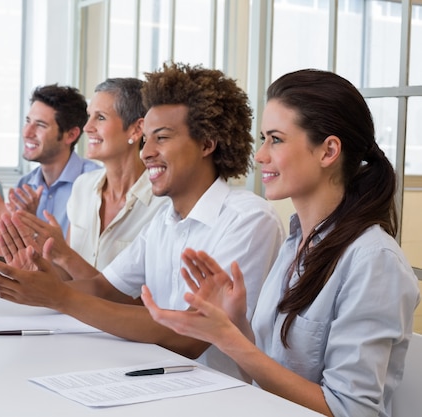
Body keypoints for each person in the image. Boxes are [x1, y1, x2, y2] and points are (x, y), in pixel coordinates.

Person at [0, 63, 285, 380]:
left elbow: (190, 336)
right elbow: (104, 287)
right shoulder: (164, 220)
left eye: (161, 138)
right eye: (146, 139)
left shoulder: (248, 219)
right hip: (157, 379)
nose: (146, 153)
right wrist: (39, 284)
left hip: (219, 395)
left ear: (207, 144)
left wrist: (60, 296)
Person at [140, 69, 420, 416]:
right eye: (262, 138)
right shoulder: (296, 244)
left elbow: (351, 411)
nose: (259, 156)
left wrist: (229, 339)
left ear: (328, 150)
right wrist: (234, 325)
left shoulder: (372, 261)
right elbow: (265, 379)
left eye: (276, 139)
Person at [0, 77, 168, 273]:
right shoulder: (83, 186)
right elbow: (66, 277)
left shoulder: (163, 202)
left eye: (100, 117)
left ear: (136, 129)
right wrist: (25, 254)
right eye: (89, 116)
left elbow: (132, 294)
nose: (87, 127)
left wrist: (59, 253)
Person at [0, 84, 100, 237]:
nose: (27, 132)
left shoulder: (95, 184)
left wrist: (31, 226)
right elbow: (15, 260)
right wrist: (3, 231)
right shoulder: (24, 186)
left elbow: (79, 257)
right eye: (28, 121)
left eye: (40, 125)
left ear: (71, 135)